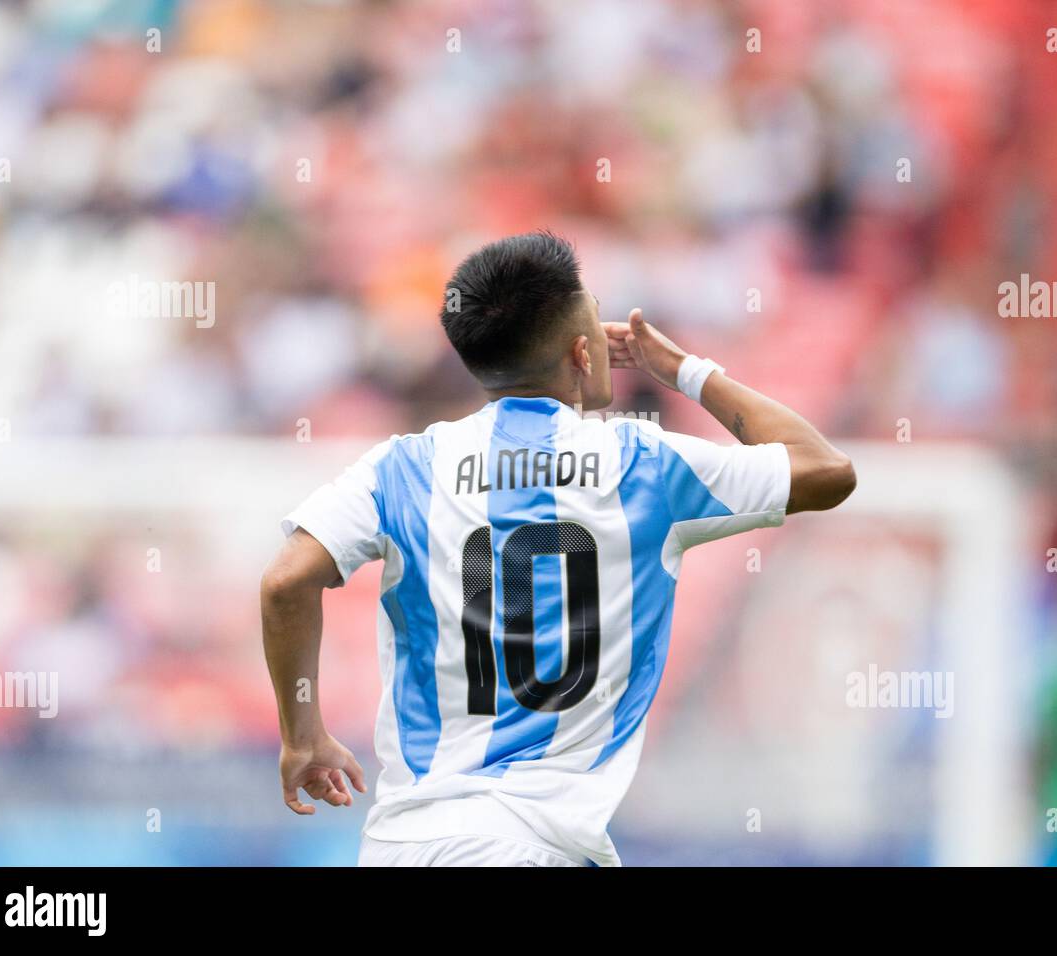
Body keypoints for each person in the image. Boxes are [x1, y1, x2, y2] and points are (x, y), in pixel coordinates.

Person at [260, 231, 856, 866]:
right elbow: (825, 470)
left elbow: (285, 580)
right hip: (533, 844)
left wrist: (303, 736)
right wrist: (686, 370)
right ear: (582, 350)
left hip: (404, 844)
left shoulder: (401, 467)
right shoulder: (641, 462)